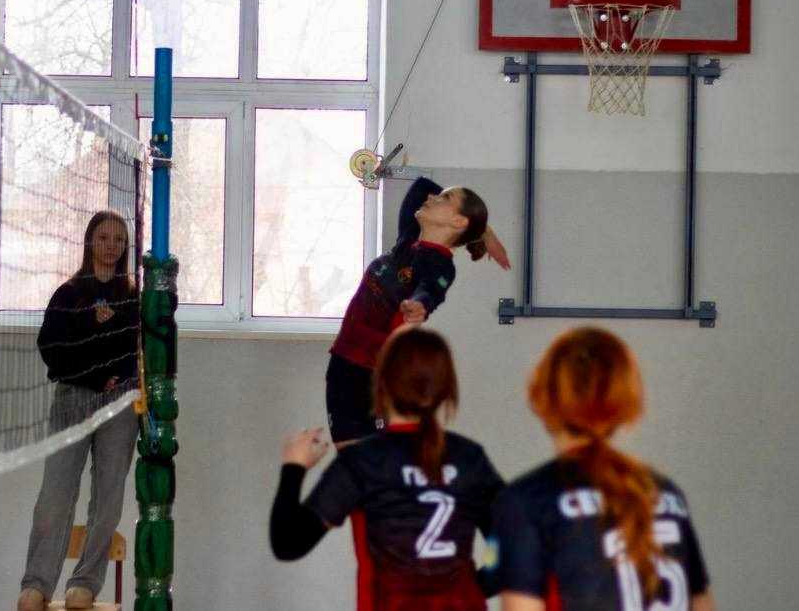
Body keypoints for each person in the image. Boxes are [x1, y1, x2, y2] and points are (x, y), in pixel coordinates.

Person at [271, 326, 505, 610]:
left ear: (380, 384)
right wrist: (470, 589)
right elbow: (512, 549)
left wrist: (294, 467)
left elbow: (288, 543)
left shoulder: (363, 461)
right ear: (447, 389)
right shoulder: (470, 458)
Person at [491, 327, 714, 611]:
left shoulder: (526, 502)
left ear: (541, 397)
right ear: (626, 403)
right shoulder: (666, 494)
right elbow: (702, 602)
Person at [18, 211, 140, 611]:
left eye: (118, 239)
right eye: (103, 238)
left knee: (108, 497)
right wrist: (93, 335)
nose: (111, 246)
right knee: (55, 495)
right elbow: (54, 350)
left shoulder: (132, 298)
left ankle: (84, 584)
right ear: (90, 242)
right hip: (73, 400)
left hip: (119, 403)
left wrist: (107, 343)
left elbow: (132, 350)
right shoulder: (68, 295)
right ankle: (36, 585)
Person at [327, 177, 509, 446]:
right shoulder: (408, 239)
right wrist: (485, 231)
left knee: (378, 464)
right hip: (343, 364)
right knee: (353, 465)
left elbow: (430, 290)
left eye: (445, 198)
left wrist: (420, 306)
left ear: (459, 221)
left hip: (376, 375)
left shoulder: (440, 265)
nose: (432, 197)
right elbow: (421, 186)